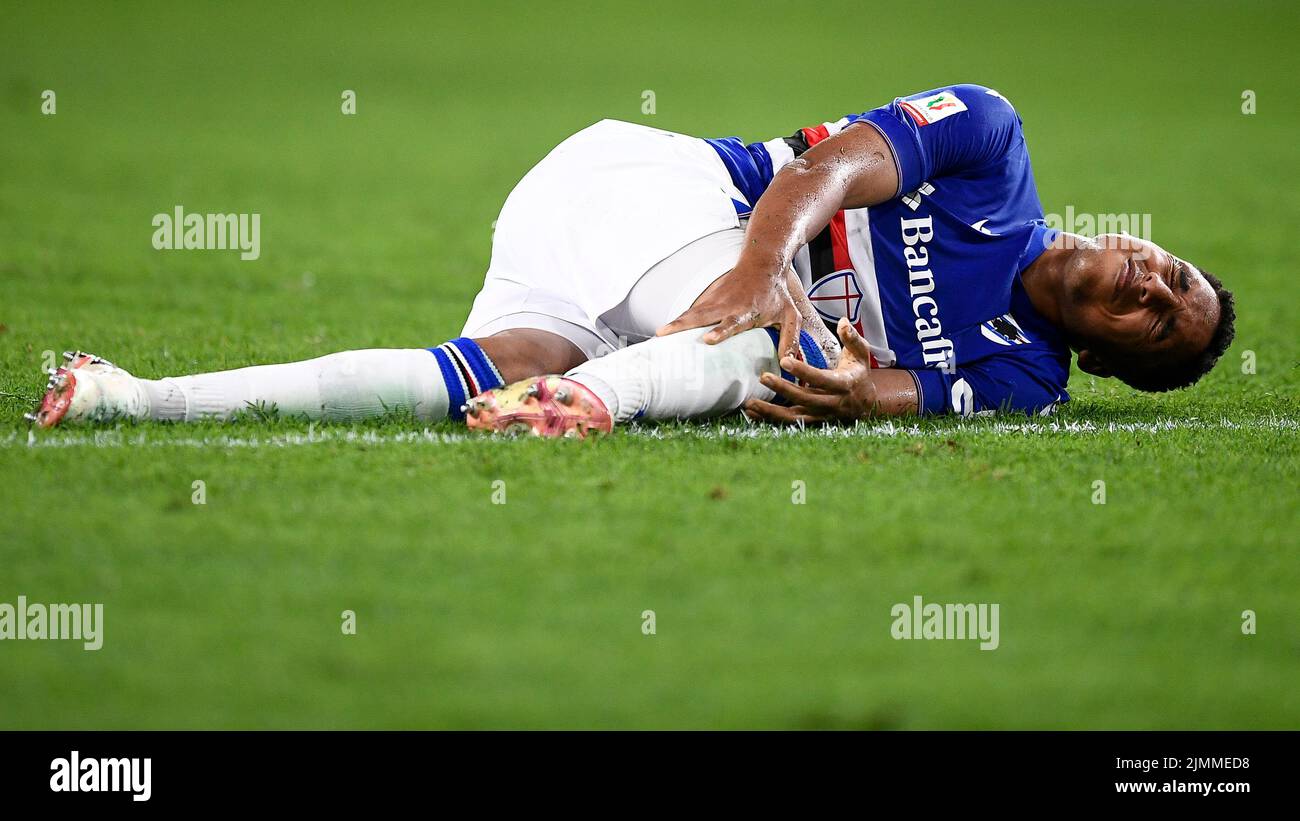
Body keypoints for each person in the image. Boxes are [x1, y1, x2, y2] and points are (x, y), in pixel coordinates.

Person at [29, 84, 1235, 437]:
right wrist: (773, 284)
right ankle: (585, 407)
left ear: (1114, 363)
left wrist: (844, 385)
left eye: (1159, 325)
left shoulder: (1026, 378)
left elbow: (877, 392)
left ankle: (128, 397)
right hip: (647, 187)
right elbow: (820, 176)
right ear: (1144, 241)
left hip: (604, 280)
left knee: (454, 372)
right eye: (1174, 274)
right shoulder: (989, 140)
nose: (1153, 290)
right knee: (763, 349)